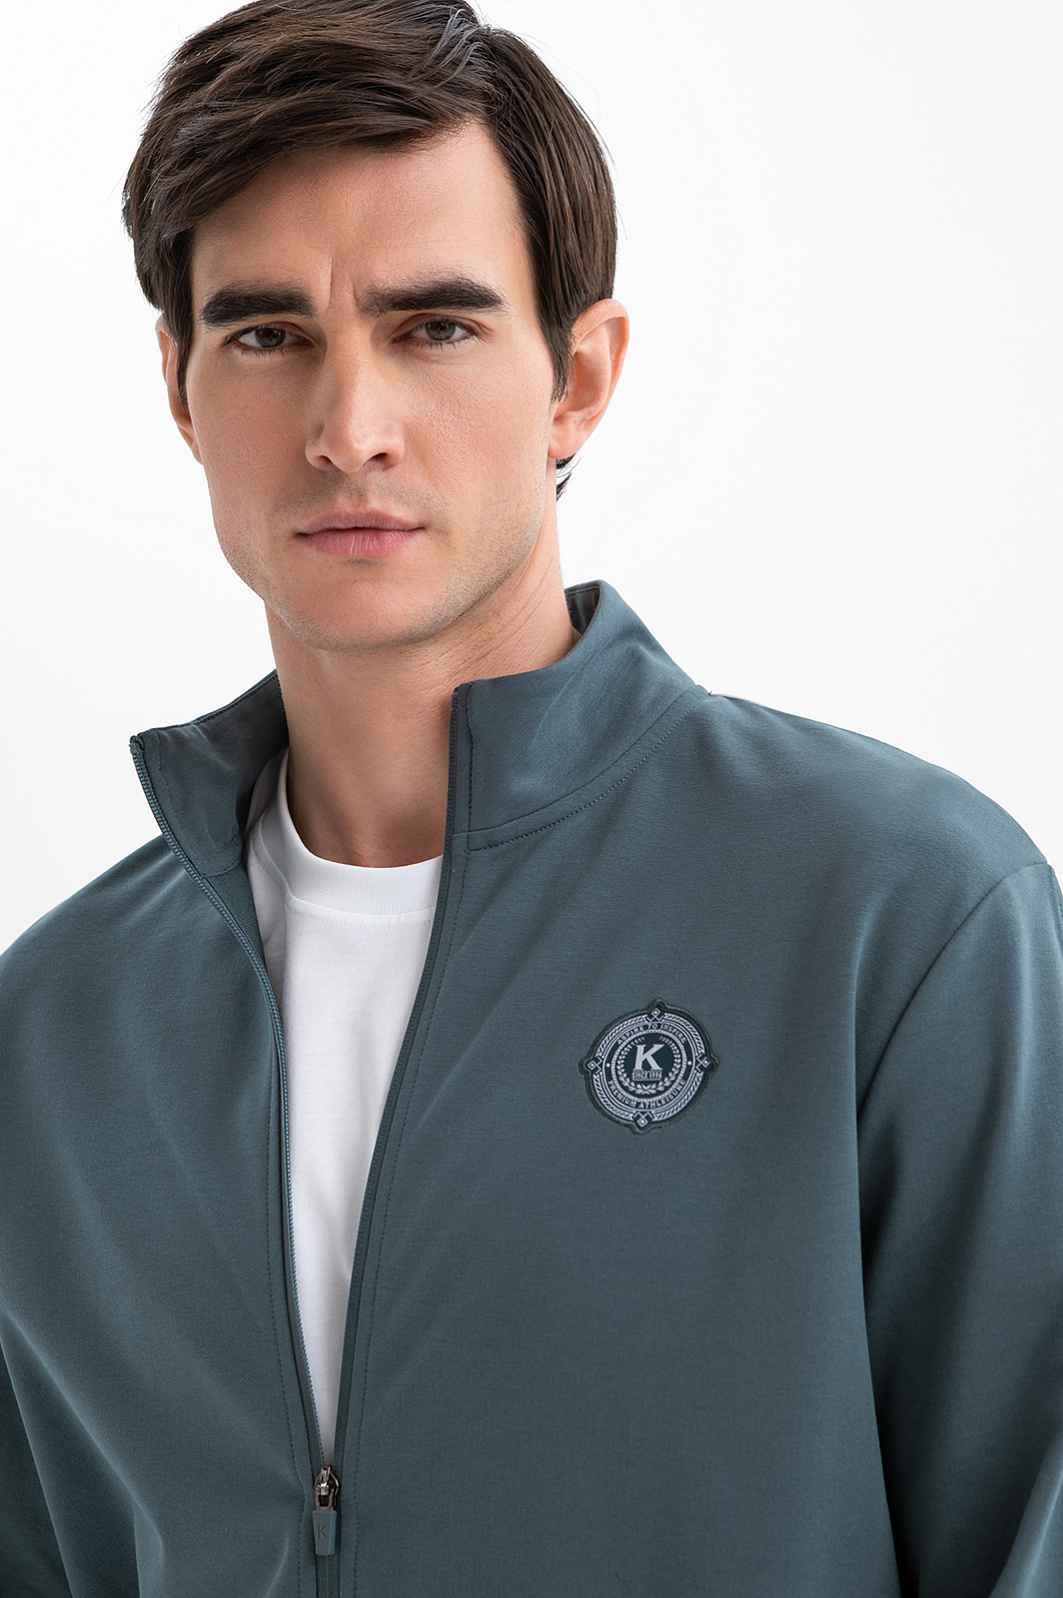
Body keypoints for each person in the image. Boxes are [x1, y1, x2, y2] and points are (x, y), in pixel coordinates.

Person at [2, 0, 1062, 1592]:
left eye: (433, 327)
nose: (349, 429)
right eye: (268, 334)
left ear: (578, 376)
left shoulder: (899, 917)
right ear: (179, 387)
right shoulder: (52, 1034)